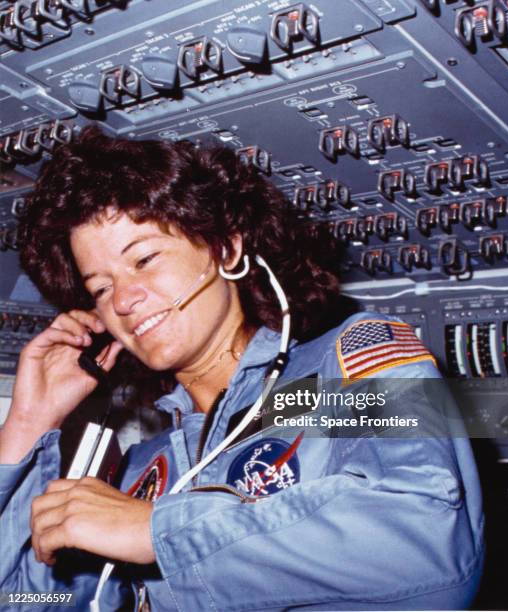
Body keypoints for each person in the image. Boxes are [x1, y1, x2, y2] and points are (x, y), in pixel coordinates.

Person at [0, 126, 483, 611]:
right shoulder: (142, 471)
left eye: (144, 259)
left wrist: (156, 532)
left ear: (226, 250)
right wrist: (26, 425)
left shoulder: (354, 356)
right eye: (100, 288)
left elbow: (430, 541)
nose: (124, 300)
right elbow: (24, 602)